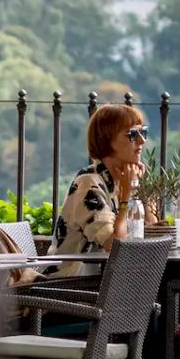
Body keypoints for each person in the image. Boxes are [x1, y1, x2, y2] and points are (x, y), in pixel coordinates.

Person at [53, 97, 149, 256]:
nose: (142, 140)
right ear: (107, 139)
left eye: (143, 132)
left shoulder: (120, 181)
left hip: (110, 277)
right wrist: (126, 196)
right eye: (132, 134)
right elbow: (115, 245)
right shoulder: (88, 184)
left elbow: (152, 232)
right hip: (75, 279)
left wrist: (142, 189)